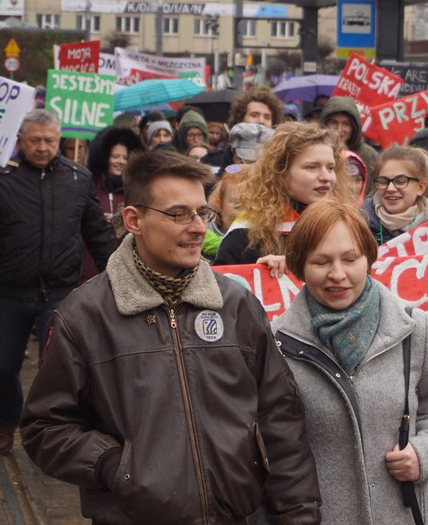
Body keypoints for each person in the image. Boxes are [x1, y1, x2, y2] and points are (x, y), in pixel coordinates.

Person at [20, 150, 322, 522]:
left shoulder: (237, 303)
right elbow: (44, 427)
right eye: (178, 214)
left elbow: (279, 416)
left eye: (202, 213)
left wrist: (298, 512)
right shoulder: (84, 315)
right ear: (134, 219)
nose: (197, 227)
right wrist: (114, 466)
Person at [272, 200, 428, 524]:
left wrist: (424, 453)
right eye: (321, 261)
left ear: (368, 259)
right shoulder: (277, 343)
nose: (337, 274)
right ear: (300, 265)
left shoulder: (415, 328)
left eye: (350, 259)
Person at [0, 110, 117, 456]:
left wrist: (117, 273)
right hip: (9, 292)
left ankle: (55, 433)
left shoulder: (77, 178)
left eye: (49, 140)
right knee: (4, 365)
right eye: (34, 140)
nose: (42, 147)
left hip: (61, 292)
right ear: (20, 140)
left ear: (60, 139)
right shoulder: (4, 178)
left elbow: (97, 233)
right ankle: (7, 421)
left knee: (58, 367)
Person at [214, 122, 349, 266]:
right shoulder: (245, 234)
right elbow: (223, 285)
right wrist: (259, 271)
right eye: (311, 167)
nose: (326, 177)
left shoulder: (346, 225)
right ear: (281, 175)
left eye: (330, 168)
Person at [79, 127, 145, 280]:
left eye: (125, 157)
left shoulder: (138, 191)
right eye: (115, 156)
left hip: (127, 269)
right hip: (88, 268)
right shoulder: (87, 185)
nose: (120, 161)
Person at [363, 146, 428, 245]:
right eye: (383, 181)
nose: (390, 188)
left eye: (401, 181)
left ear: (420, 188)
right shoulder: (358, 224)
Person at [320, 96, 379, 191]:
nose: (339, 129)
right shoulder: (315, 151)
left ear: (354, 127)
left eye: (345, 124)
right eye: (334, 122)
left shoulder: (369, 155)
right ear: (325, 124)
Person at [204, 166, 247, 260]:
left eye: (257, 206)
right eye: (238, 205)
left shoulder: (275, 244)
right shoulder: (193, 242)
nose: (247, 214)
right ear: (219, 205)